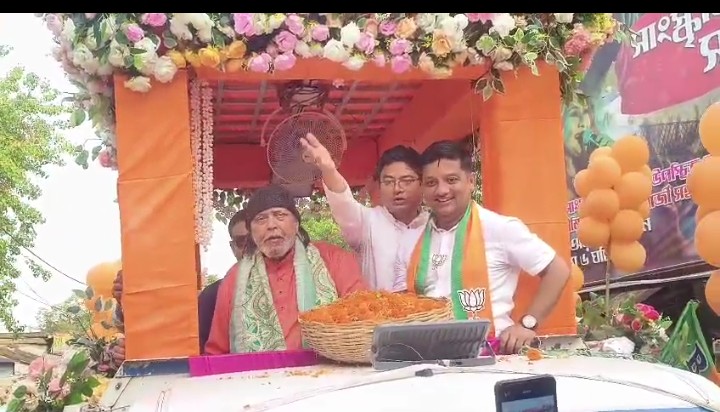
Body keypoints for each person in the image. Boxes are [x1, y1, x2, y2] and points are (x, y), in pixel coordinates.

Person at [393, 140, 570, 355]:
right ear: (423, 188)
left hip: (491, 356)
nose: (442, 190)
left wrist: (527, 324)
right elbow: (401, 302)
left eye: (451, 180)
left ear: (471, 181)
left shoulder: (499, 228)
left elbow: (558, 270)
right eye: (431, 183)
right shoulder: (410, 239)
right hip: (427, 355)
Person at [204, 185, 367, 354]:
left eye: (280, 215)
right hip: (257, 371)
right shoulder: (236, 278)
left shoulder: (333, 259)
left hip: (327, 368)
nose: (271, 225)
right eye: (261, 219)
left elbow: (362, 319)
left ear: (296, 224)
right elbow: (217, 351)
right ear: (251, 232)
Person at [110, 208, 252, 363]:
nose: (250, 248)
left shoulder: (277, 286)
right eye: (242, 242)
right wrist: (134, 352)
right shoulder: (213, 295)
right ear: (232, 247)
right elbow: (182, 344)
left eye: (253, 240)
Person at [300, 132, 428, 291]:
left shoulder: (438, 227)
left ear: (423, 184)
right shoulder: (367, 223)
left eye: (406, 181)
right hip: (377, 307)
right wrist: (328, 169)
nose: (397, 189)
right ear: (380, 186)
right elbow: (343, 201)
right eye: (388, 181)